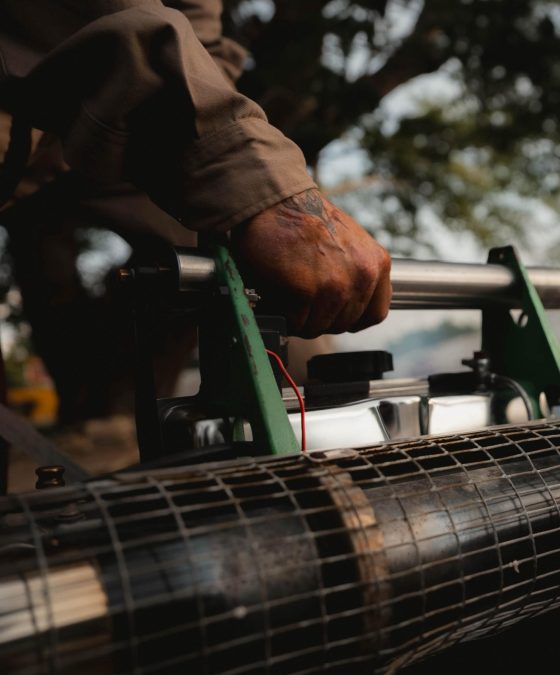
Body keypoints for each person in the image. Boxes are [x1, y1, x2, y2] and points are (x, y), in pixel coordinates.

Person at [0, 0, 392, 421]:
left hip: (73, 143)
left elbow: (202, 54)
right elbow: (114, 24)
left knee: (256, 264)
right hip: (37, 127)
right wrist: (268, 192)